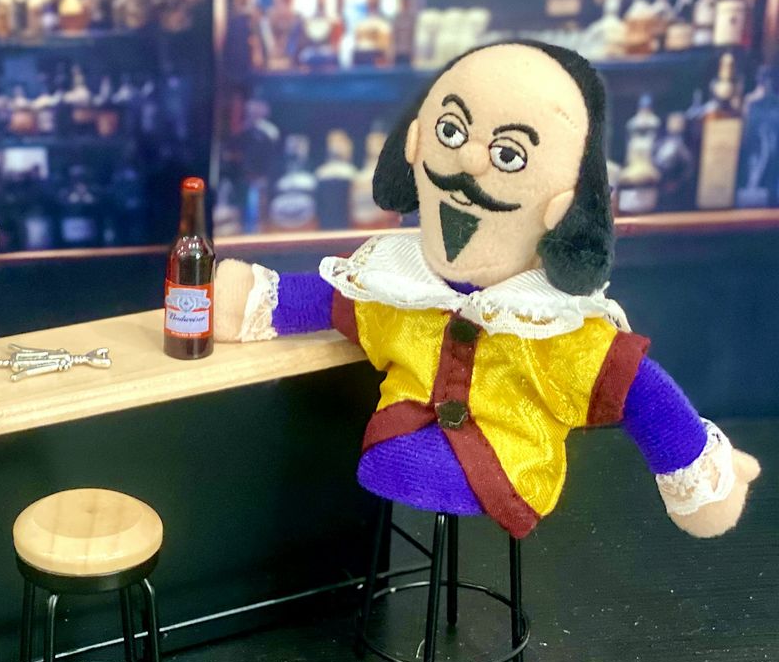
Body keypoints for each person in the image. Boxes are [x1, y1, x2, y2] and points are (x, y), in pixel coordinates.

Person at [213, 41, 759, 539]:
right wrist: (246, 301)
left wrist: (699, 475)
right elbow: (329, 299)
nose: (470, 161)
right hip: (393, 441)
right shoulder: (396, 282)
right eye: (452, 132)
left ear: (564, 203)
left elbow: (641, 392)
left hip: (508, 468)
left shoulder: (555, 323)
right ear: (416, 142)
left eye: (508, 155)